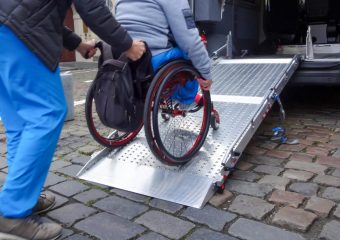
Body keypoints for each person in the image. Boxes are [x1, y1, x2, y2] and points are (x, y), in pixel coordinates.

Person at [0, 1, 145, 239]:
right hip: (21, 36)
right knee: (46, 114)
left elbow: (37, 10)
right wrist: (127, 45)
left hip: (8, 29)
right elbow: (93, 7)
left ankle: (23, 195)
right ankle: (12, 214)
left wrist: (77, 44)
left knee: (20, 125)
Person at [115, 0, 213, 106]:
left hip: (122, 57)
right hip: (151, 60)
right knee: (191, 55)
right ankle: (185, 100)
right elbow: (190, 41)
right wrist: (205, 73)